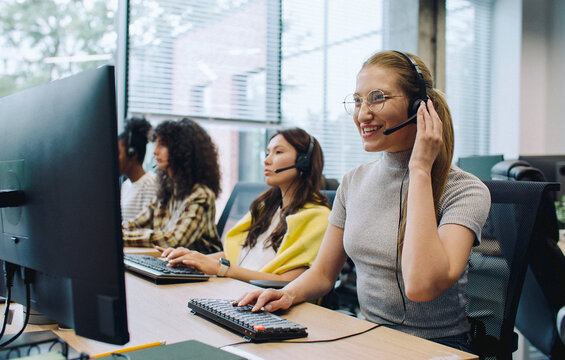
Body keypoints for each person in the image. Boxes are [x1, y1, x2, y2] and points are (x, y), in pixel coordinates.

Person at [236, 50, 491, 353]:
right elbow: (322, 274)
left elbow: (421, 286)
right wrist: (288, 294)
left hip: (437, 348)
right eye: (358, 101)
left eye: (377, 97)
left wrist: (420, 170)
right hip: (366, 336)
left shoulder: (464, 190)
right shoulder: (354, 181)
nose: (362, 114)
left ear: (418, 107)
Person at [159, 128, 331, 283]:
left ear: (304, 162)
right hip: (236, 291)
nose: (267, 161)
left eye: (278, 152)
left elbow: (286, 282)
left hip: (267, 307)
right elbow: (236, 256)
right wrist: (192, 260)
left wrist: (221, 269)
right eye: (267, 153)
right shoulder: (265, 208)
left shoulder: (318, 217)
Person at [122, 118, 222, 253]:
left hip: (198, 272)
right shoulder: (167, 189)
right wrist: (116, 231)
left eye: (162, 145)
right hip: (170, 264)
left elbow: (173, 241)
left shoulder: (201, 194)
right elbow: (136, 223)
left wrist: (122, 236)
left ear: (182, 150)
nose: (155, 151)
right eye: (155, 144)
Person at [118, 117, 159, 222]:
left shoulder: (151, 183)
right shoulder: (126, 185)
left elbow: (147, 224)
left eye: (118, 153)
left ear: (132, 153)